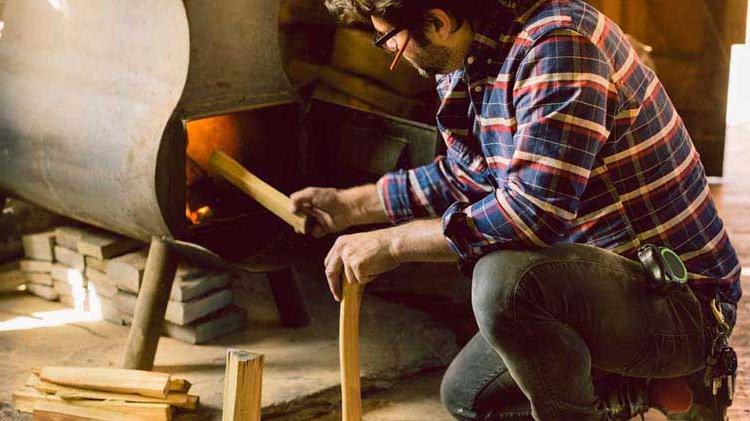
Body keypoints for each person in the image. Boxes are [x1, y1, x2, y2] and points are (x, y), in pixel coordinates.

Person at [289, 0, 742, 419]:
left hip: (679, 305)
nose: (395, 54)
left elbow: (532, 214)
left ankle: (682, 376)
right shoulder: (474, 55)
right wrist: (349, 206)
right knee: (470, 397)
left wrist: (393, 243)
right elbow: (465, 176)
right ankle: (634, 392)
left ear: (438, 22)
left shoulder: (559, 46)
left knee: (505, 282)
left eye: (391, 42)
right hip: (594, 288)